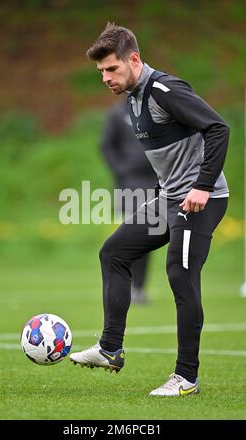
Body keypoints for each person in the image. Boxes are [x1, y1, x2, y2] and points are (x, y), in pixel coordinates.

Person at [70, 23, 229, 397]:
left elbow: (218, 128)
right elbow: (169, 154)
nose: (106, 78)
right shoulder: (131, 96)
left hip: (201, 200)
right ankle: (110, 348)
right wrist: (163, 192)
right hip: (171, 198)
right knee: (114, 252)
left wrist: (202, 186)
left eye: (112, 69)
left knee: (180, 274)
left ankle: (186, 378)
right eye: (101, 72)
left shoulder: (165, 90)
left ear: (135, 59)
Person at [100, 98, 157, 303]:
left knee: (149, 237)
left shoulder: (154, 111)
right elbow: (106, 146)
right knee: (132, 234)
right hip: (131, 184)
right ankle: (126, 286)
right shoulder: (117, 113)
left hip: (155, 183)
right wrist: (121, 170)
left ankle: (139, 288)